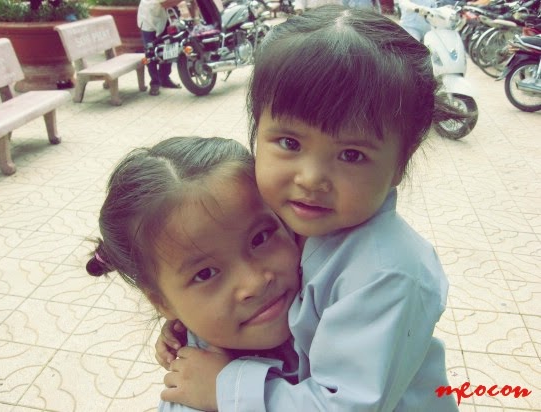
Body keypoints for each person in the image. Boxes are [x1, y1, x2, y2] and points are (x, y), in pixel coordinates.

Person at [158, 5, 461, 411]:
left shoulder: (388, 274)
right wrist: (192, 325)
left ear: (399, 164)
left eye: (351, 154)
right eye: (290, 143)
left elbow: (343, 406)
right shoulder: (286, 216)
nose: (311, 178)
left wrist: (225, 388)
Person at [85, 136, 302, 411]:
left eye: (260, 238)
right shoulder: (196, 401)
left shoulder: (332, 282)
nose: (254, 283)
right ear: (163, 302)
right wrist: (231, 390)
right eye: (206, 273)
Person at [137, 0, 189, 95]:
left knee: (169, 47)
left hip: (161, 18)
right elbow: (166, 3)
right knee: (150, 52)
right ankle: (155, 83)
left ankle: (165, 78)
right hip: (148, 20)